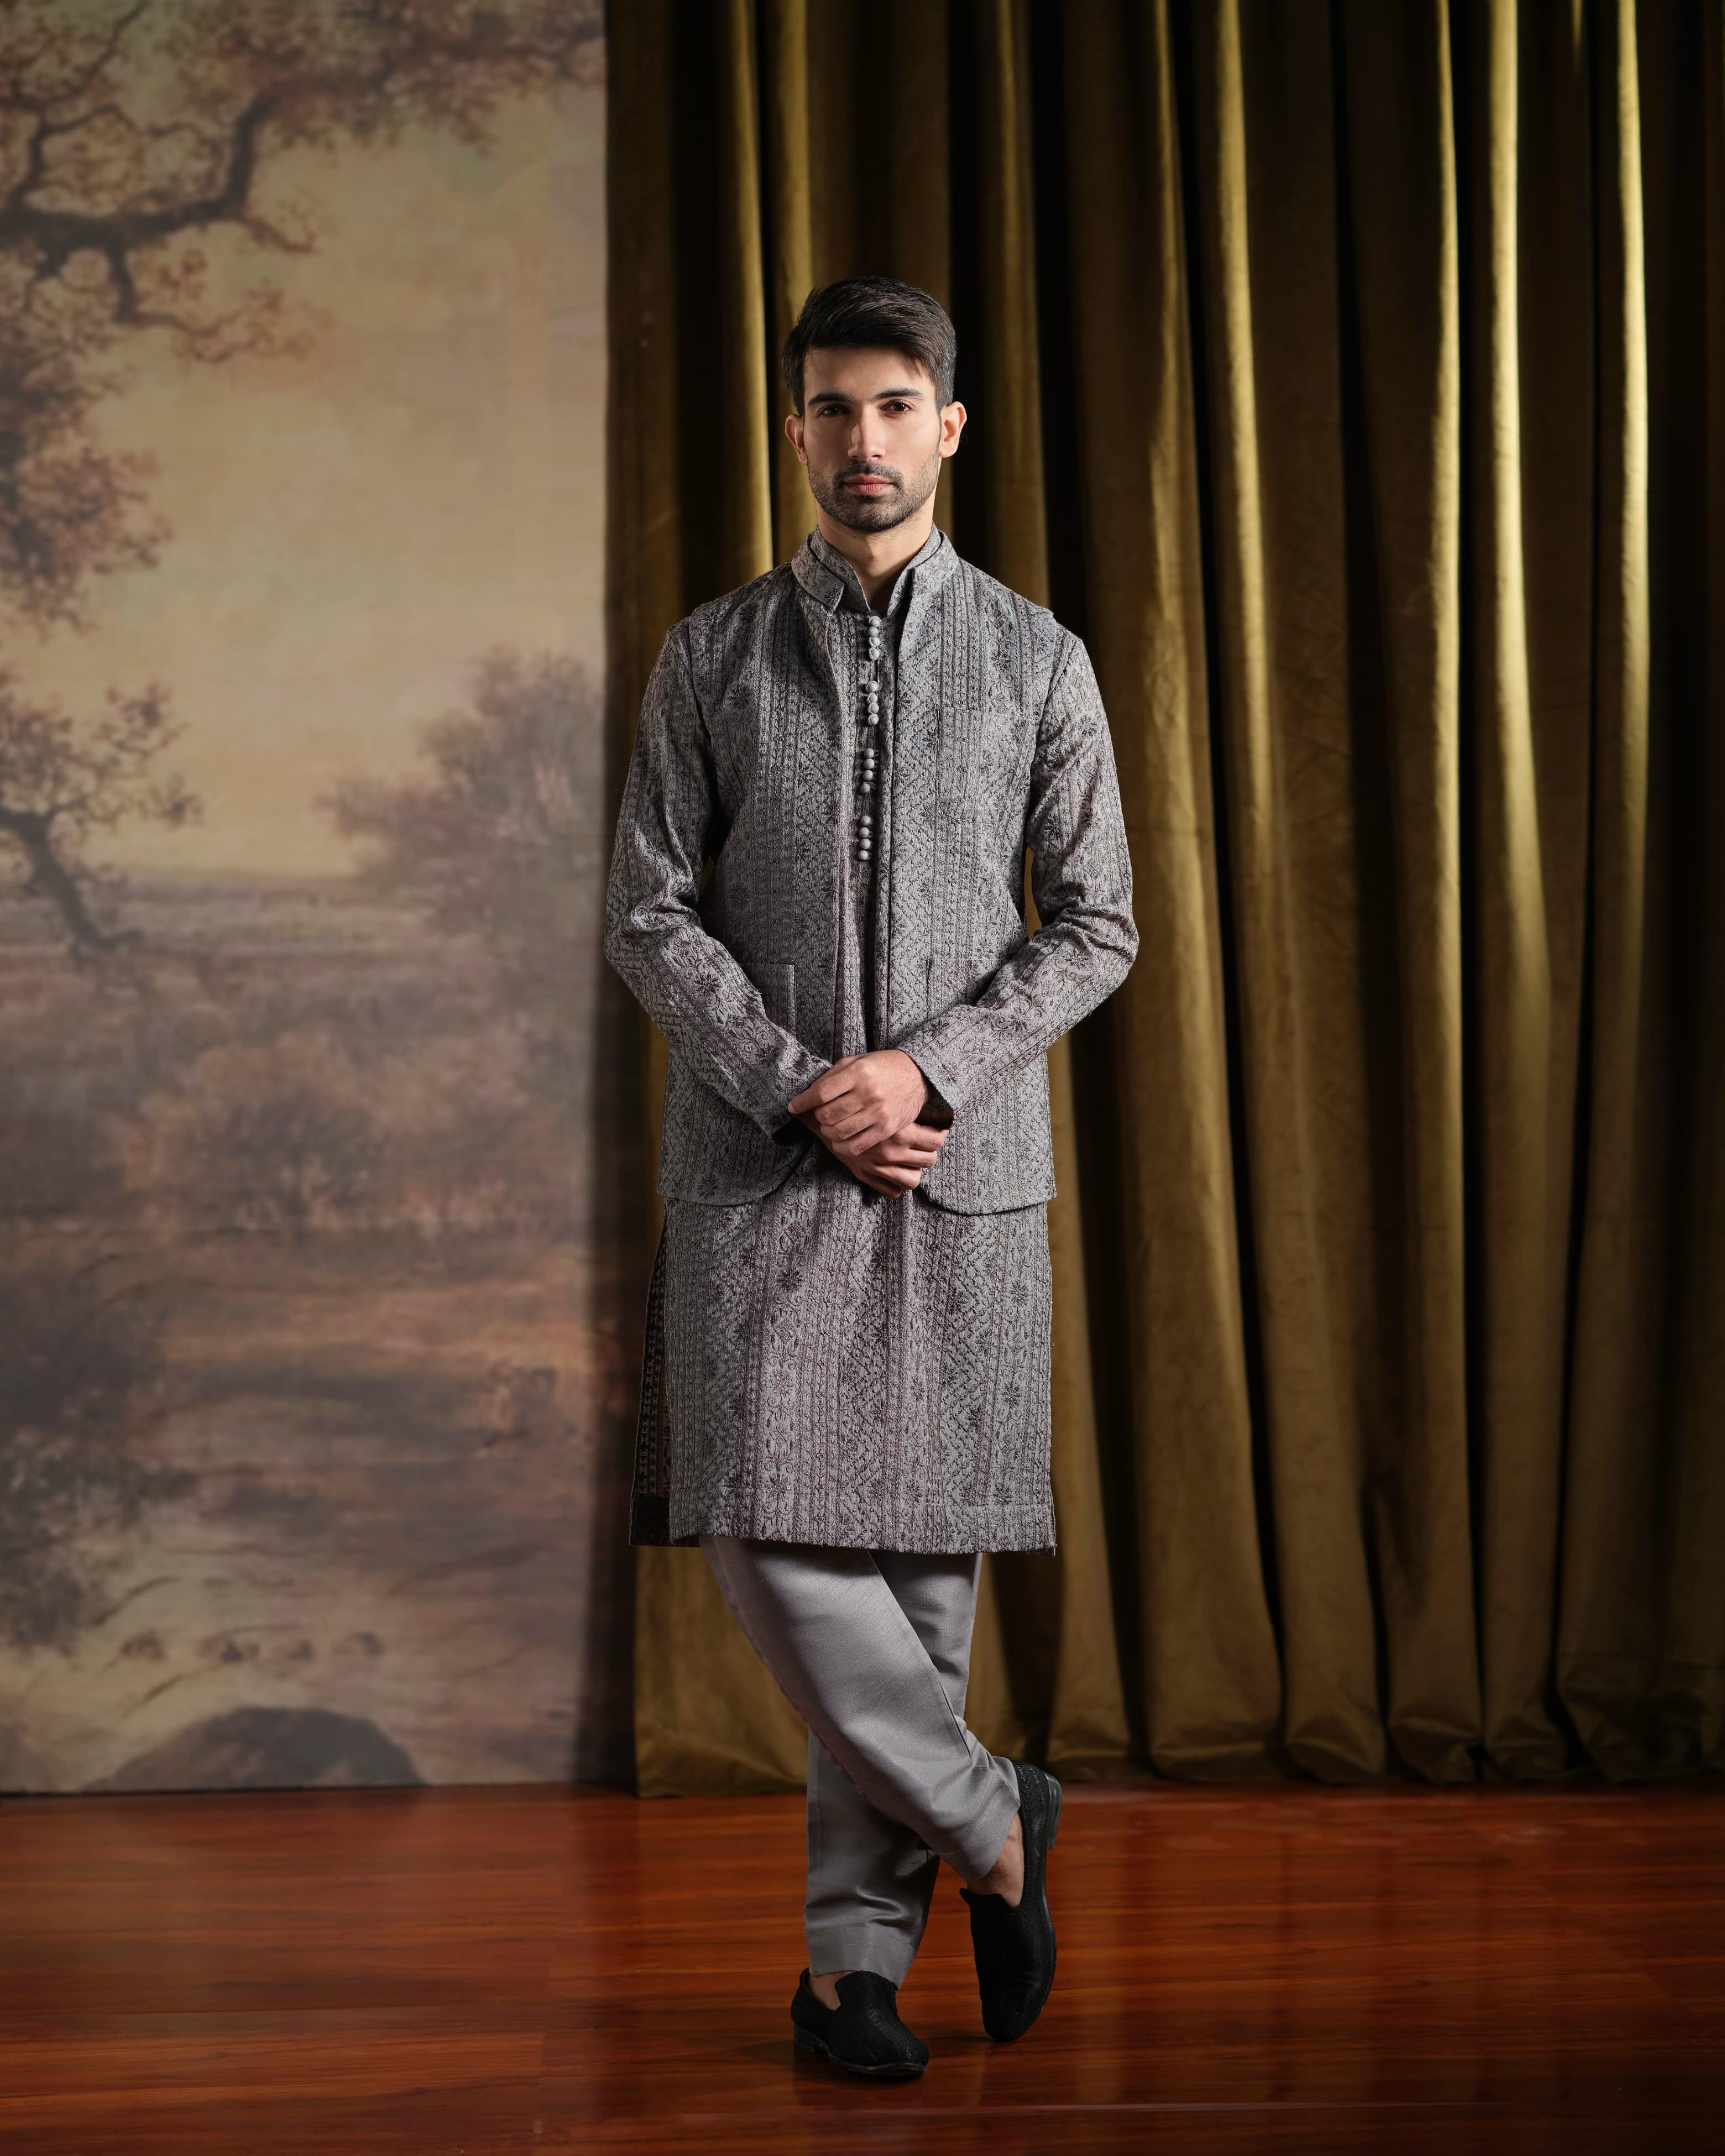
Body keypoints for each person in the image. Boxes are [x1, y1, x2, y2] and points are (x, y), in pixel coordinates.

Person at [603, 275, 1138, 2079]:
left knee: (917, 1579)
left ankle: (851, 1972)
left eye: (896, 405)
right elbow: (647, 912)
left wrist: (929, 1070)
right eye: (832, 407)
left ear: (949, 427)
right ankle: (995, 1816)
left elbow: (1100, 923)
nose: (863, 440)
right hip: (759, 1163)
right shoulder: (711, 656)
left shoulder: (1041, 659)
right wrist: (798, 1085)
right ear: (795, 429)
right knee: (765, 1520)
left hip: (955, 1170)